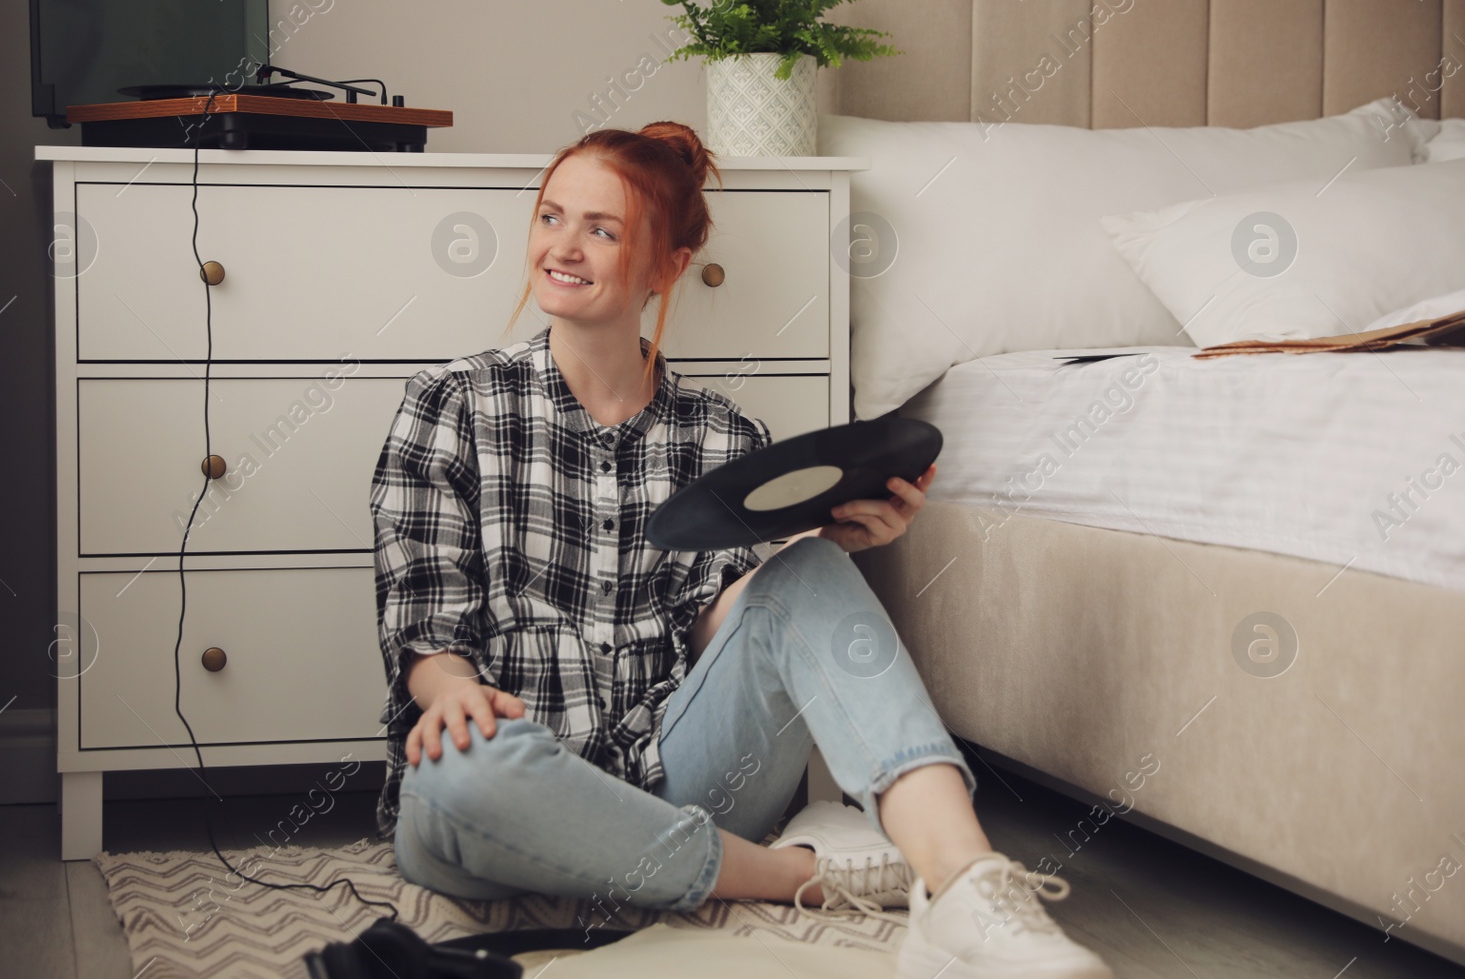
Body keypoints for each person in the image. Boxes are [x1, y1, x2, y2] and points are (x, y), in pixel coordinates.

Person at [368, 121, 1113, 978]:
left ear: (665, 266)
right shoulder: (450, 404)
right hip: (499, 779)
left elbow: (723, 629)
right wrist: (453, 693)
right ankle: (800, 875)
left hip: (676, 772)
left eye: (600, 230)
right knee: (465, 768)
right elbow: (422, 622)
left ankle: (966, 884)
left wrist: (822, 546)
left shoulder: (725, 436)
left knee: (811, 567)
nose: (562, 247)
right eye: (550, 217)